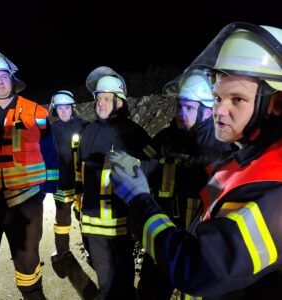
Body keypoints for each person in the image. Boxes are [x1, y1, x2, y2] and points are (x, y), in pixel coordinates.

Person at [107, 22, 282, 299]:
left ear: (277, 104)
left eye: (237, 99)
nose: (219, 110)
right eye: (217, 97)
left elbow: (198, 268)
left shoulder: (275, 192)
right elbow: (203, 191)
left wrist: (140, 198)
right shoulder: (244, 160)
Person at [137, 70, 235, 300]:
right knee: (149, 292)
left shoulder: (220, 145)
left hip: (197, 239)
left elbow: (202, 181)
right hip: (164, 230)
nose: (181, 113)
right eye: (180, 106)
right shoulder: (165, 137)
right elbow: (140, 164)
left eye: (189, 108)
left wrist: (159, 167)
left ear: (207, 111)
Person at [0, 49, 59, 300]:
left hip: (25, 202)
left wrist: (50, 186)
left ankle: (33, 295)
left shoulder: (36, 111)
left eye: (3, 76)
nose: (0, 82)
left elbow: (50, 149)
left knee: (28, 262)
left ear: (12, 79)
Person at [75, 66, 155, 300]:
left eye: (107, 98)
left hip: (122, 225)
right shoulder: (87, 132)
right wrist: (77, 202)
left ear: (120, 102)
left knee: (123, 281)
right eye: (99, 98)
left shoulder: (134, 134)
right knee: (107, 282)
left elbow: (151, 169)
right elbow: (79, 170)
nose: (101, 103)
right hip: (92, 224)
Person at [49, 90, 89, 263]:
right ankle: (62, 250)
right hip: (62, 183)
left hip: (83, 182)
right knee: (62, 219)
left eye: (66, 107)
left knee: (85, 217)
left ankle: (90, 250)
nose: (63, 111)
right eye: (60, 108)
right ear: (55, 110)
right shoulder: (51, 130)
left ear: (73, 108)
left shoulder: (86, 126)